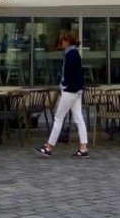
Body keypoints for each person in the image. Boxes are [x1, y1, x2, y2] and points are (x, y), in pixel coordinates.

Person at [36, 30, 88, 158]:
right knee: (79, 118)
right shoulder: (75, 54)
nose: (61, 43)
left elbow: (67, 74)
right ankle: (83, 147)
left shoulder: (70, 55)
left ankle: (48, 147)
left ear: (67, 41)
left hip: (69, 90)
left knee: (59, 118)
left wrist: (63, 85)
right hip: (77, 90)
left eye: (62, 41)